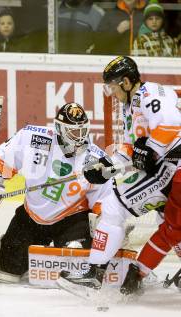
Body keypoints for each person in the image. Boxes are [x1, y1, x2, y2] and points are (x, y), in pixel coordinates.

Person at [57, 56, 181, 296]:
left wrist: (150, 150)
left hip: (172, 165)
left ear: (125, 81)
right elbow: (131, 149)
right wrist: (106, 166)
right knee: (169, 221)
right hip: (167, 167)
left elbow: (172, 126)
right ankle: (110, 272)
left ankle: (93, 273)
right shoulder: (130, 106)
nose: (111, 93)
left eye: (112, 86)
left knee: (114, 207)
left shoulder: (150, 94)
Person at [0, 103, 112, 282]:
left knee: (76, 272)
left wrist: (105, 221)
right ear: (59, 129)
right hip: (31, 217)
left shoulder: (95, 160)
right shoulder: (33, 137)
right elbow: (2, 158)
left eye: (82, 131)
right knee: (6, 272)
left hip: (72, 220)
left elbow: (104, 198)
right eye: (73, 132)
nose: (79, 138)